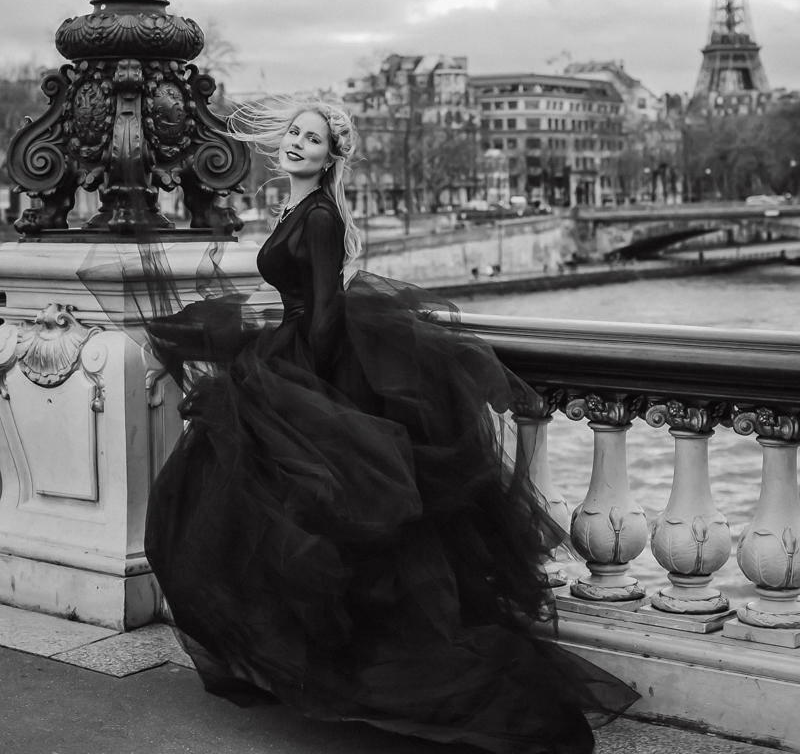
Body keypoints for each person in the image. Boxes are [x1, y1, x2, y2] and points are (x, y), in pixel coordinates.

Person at [142, 93, 637, 754]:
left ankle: (317, 667)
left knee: (261, 517)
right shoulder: (298, 207)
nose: (297, 144)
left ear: (330, 157)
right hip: (290, 360)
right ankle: (283, 661)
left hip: (308, 366)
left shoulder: (317, 216)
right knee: (257, 517)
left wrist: (307, 393)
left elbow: (323, 309)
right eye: (294, 133)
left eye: (313, 139)